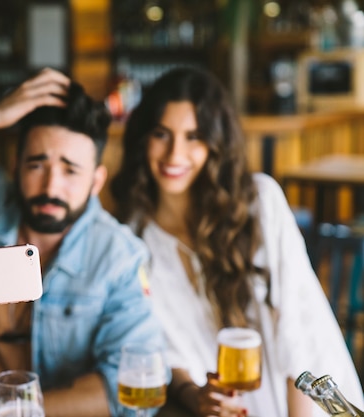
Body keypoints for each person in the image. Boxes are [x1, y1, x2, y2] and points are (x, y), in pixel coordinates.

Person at [110, 66, 364, 417]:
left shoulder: (259, 202)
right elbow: (160, 347)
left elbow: (300, 326)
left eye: (194, 136)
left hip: (294, 401)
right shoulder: (131, 238)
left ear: (216, 144)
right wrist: (197, 397)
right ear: (143, 139)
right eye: (161, 134)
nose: (174, 154)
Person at [0, 77, 166, 417]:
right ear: (15, 166)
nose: (51, 186)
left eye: (71, 170)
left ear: (96, 181)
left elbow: (137, 386)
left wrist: (13, 412)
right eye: (37, 165)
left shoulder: (119, 255)